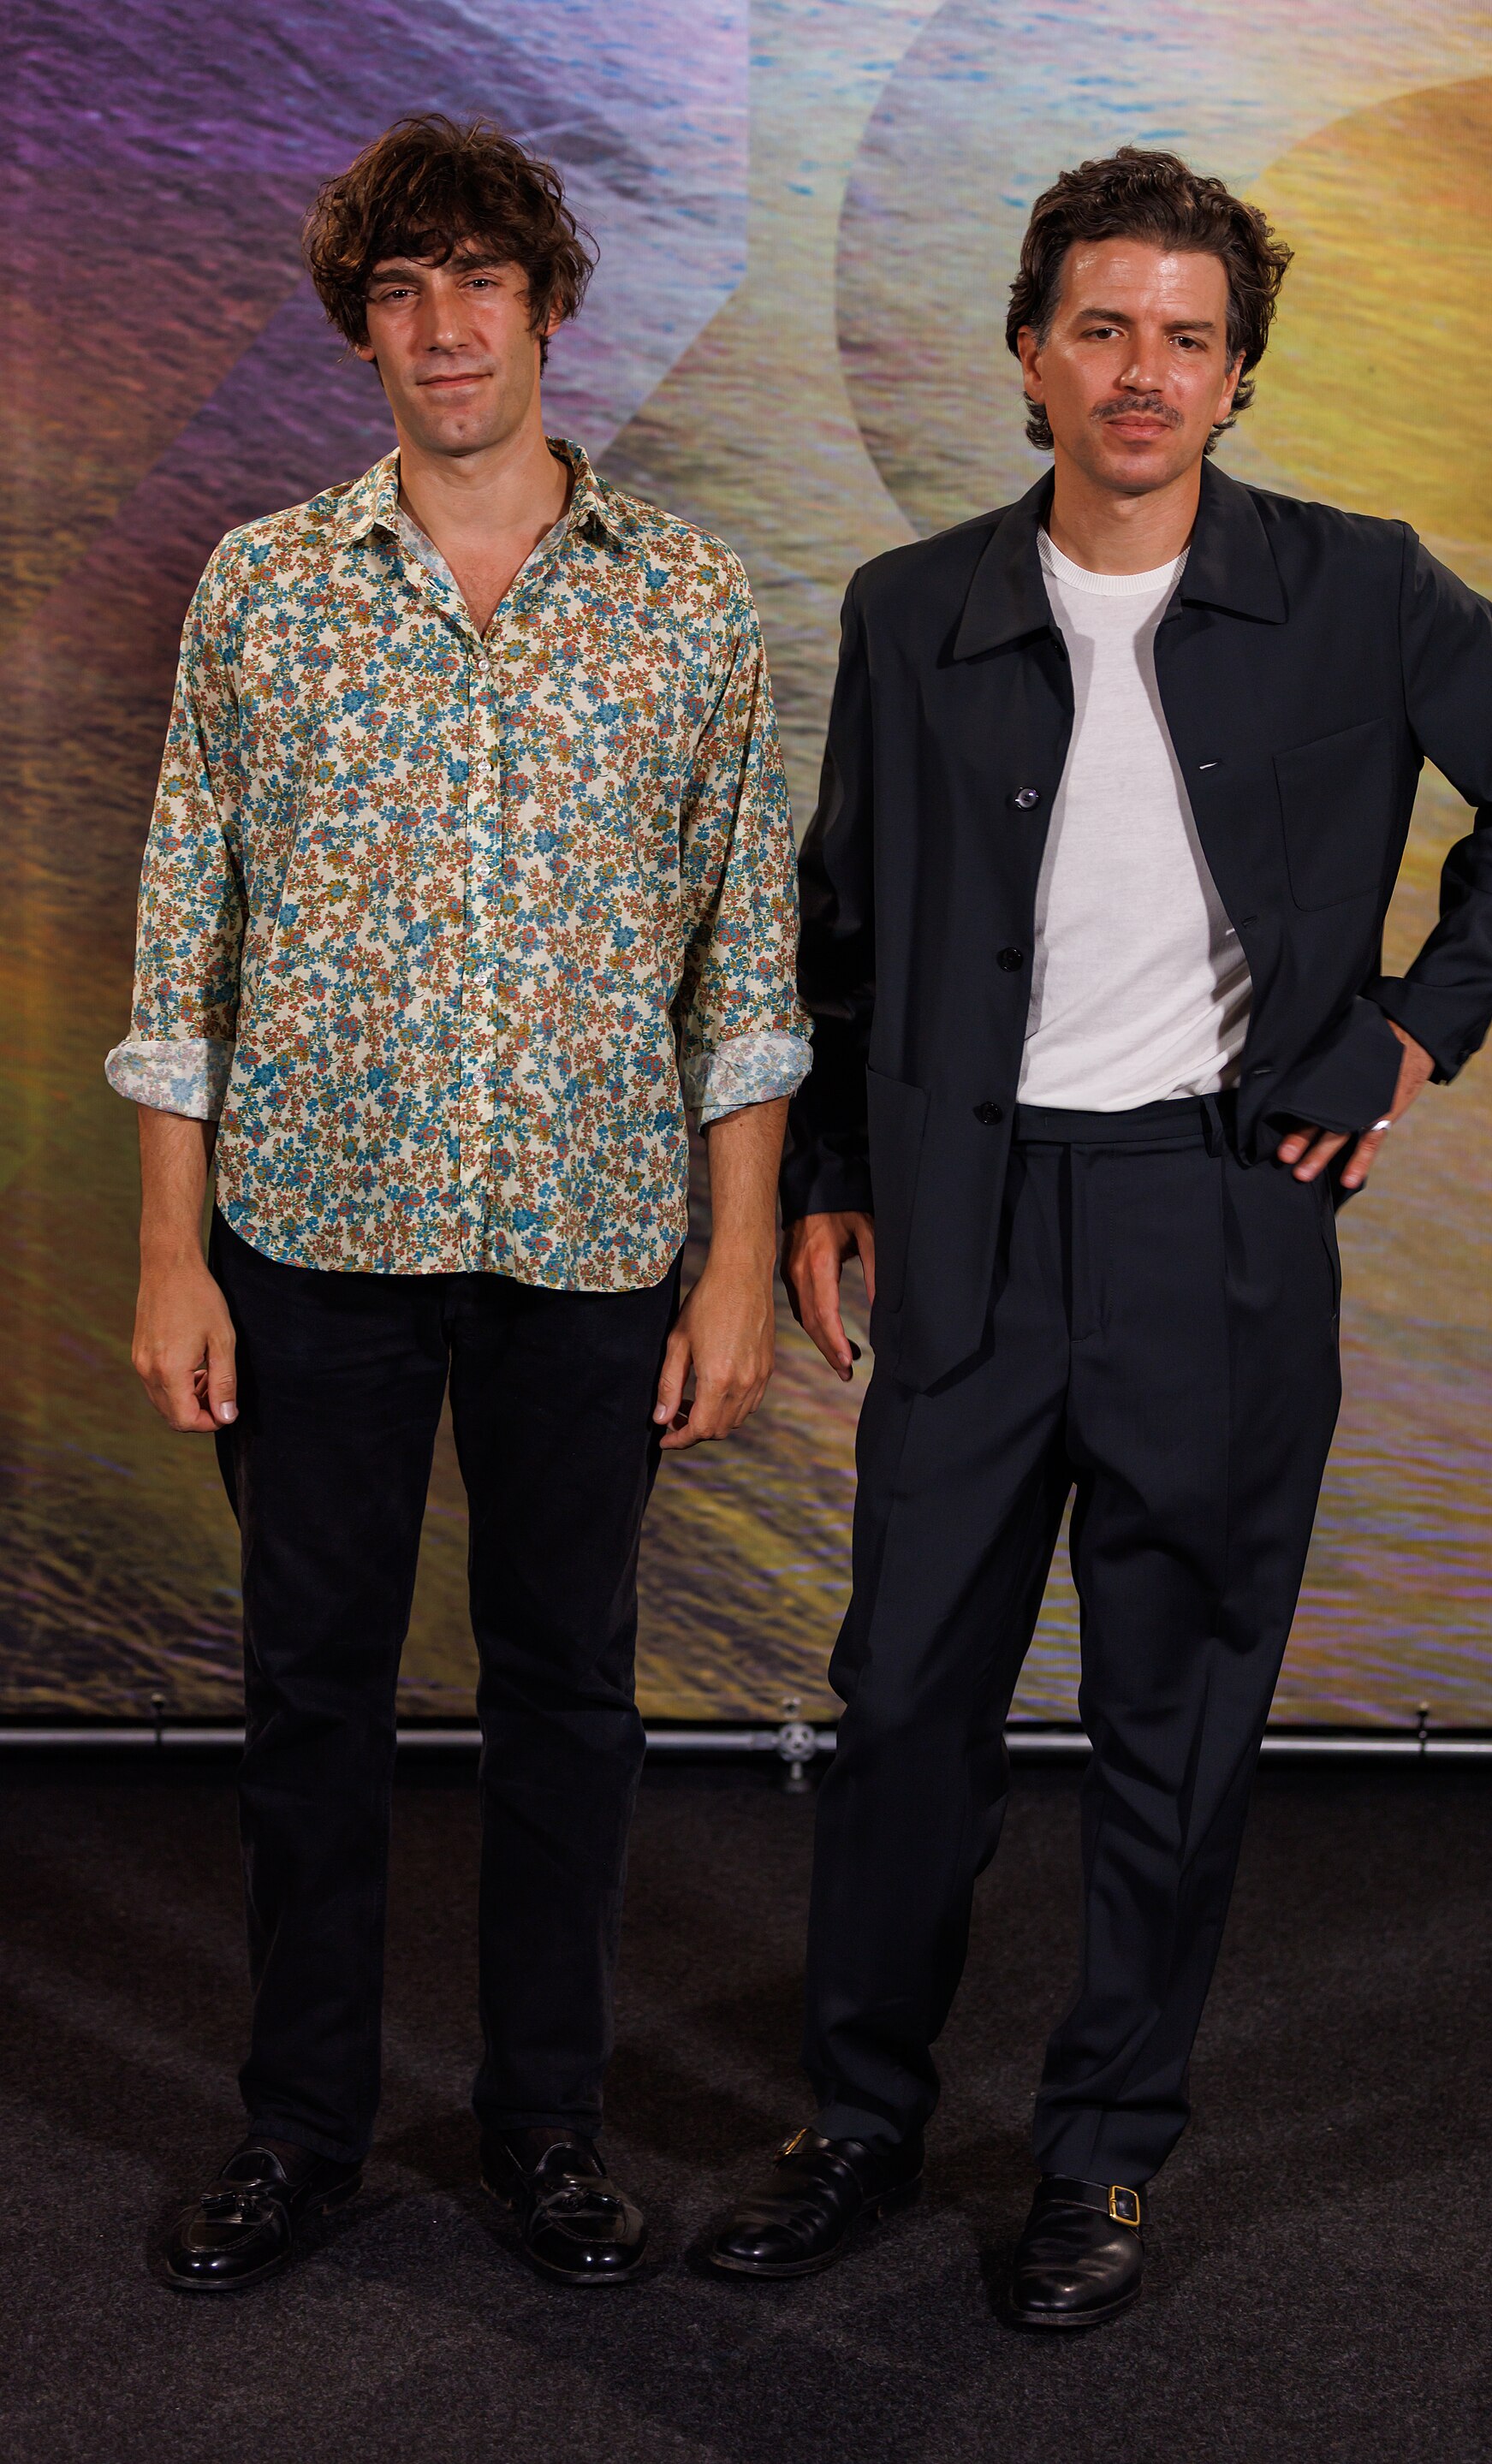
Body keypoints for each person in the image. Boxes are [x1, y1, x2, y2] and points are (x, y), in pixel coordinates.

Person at [708, 147, 1492, 2327]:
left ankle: (1102, 2161)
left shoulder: (1362, 589)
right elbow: (842, 933)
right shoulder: (912, 610)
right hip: (970, 1217)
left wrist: (1407, 1035)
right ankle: (856, 2121)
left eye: (1188, 338)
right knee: (906, 1693)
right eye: (1102, 327)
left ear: (1238, 376)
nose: (1143, 371)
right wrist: (831, 1175)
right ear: (1031, 354)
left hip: (1220, 1220)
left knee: (1172, 1715)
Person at [107, 114, 808, 2295]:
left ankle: (546, 2122)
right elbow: (180, 944)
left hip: (594, 1257)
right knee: (309, 1697)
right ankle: (303, 2126)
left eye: (481, 280)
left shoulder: (685, 602)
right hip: (307, 1244)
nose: (444, 327)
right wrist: (166, 1253)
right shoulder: (262, 585)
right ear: (361, 327)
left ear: (548, 305)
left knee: (567, 1695)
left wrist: (733, 1268)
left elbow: (744, 968)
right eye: (401, 290)